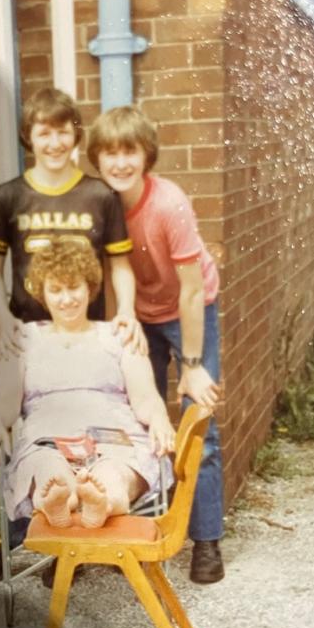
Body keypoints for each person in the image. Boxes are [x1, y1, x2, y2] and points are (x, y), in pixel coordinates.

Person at [0, 87, 144, 580]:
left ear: (75, 133)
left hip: (80, 333)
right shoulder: (7, 196)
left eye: (62, 130)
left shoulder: (98, 195)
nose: (53, 141)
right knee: (28, 441)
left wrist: (127, 312)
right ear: (30, 136)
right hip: (27, 335)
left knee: (84, 439)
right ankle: (21, 538)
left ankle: (68, 546)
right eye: (43, 131)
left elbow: (120, 265)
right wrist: (2, 318)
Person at [87, 105, 225, 584]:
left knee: (197, 421)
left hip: (189, 310)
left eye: (130, 152)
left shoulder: (169, 203)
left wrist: (192, 364)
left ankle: (205, 540)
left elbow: (190, 290)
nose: (120, 163)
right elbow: (108, 275)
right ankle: (130, 528)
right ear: (98, 159)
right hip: (137, 314)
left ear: (147, 155)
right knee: (127, 421)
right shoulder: (101, 205)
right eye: (110, 153)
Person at [0, 237, 174, 530]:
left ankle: (101, 502)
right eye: (55, 290)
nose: (66, 299)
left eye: (74, 287)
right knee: (48, 470)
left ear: (89, 287)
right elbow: (7, 401)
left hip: (115, 438)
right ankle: (60, 500)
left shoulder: (118, 335)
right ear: (43, 294)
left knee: (114, 473)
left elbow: (145, 398)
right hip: (48, 438)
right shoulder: (23, 339)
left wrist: (159, 418)